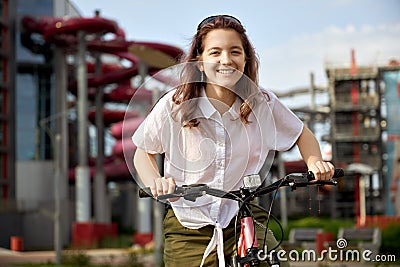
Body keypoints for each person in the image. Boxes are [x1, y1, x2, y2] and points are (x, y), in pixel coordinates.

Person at [132, 15, 335, 267]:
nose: (226, 60)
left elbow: (301, 133)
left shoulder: (262, 103)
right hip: (189, 224)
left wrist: (315, 162)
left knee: (272, 262)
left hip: (242, 214)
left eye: (235, 51)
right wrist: (157, 182)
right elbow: (142, 153)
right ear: (199, 61)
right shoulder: (175, 105)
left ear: (246, 58)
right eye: (215, 52)